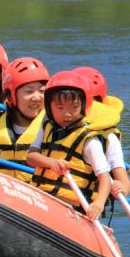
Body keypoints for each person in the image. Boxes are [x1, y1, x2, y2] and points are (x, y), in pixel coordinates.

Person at [26, 71, 111, 220]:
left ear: (83, 106)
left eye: (73, 107)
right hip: (41, 198)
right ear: (49, 107)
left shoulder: (89, 141)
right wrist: (51, 162)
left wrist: (99, 203)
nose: (67, 114)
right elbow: (31, 157)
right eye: (60, 108)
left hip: (71, 208)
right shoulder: (46, 128)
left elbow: (104, 177)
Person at [73, 66, 130, 198]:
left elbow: (125, 183)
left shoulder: (109, 139)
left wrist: (122, 188)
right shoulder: (53, 128)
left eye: (92, 104)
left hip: (85, 205)